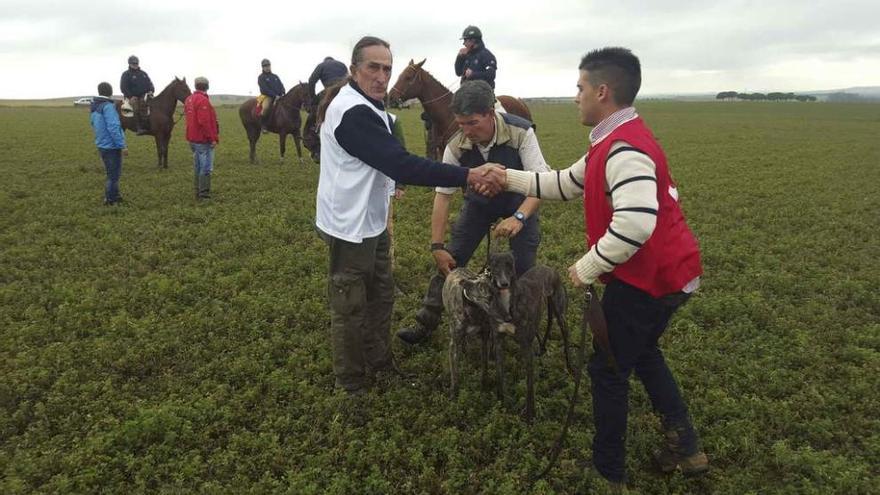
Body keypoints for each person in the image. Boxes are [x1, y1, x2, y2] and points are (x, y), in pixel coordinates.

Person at [481, 47, 708, 488]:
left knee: (607, 369)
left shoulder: (624, 149)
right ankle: (686, 447)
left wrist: (588, 266)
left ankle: (607, 474)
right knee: (641, 352)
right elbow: (564, 182)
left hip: (649, 279)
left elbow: (636, 222)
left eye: (580, 88)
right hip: (669, 273)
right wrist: (505, 176)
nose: (575, 97)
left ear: (602, 91)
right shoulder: (612, 140)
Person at [315, 35, 505, 396]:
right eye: (373, 67)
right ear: (354, 69)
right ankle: (351, 384)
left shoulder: (370, 107)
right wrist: (467, 174)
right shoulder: (352, 112)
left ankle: (380, 363)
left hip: (371, 222)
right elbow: (400, 162)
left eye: (387, 68)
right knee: (350, 305)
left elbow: (389, 165)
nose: (382, 76)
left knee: (382, 295)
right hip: (349, 226)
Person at [396, 80, 549, 345]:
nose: (466, 131)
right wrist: (436, 246)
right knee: (451, 259)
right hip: (479, 204)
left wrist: (520, 217)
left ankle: (523, 327)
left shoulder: (521, 132)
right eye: (461, 123)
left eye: (473, 123)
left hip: (520, 202)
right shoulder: (456, 145)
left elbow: (541, 185)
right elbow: (442, 196)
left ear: (491, 113)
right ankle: (426, 321)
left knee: (523, 267)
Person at [90, 82, 127, 205]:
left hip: (101, 144)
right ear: (110, 92)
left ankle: (116, 195)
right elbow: (113, 127)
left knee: (111, 173)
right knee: (113, 175)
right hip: (112, 146)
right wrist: (122, 145)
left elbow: (93, 123)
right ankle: (110, 200)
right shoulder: (108, 107)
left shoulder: (95, 106)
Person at [184, 77, 219, 200]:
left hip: (192, 139)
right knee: (206, 167)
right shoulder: (203, 100)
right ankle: (204, 194)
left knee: (198, 166)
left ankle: (197, 191)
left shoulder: (188, 99)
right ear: (207, 86)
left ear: (195, 85)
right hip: (203, 140)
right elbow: (204, 121)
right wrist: (212, 138)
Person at [120, 55, 155, 134]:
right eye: (133, 63)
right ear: (129, 64)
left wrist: (151, 90)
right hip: (132, 97)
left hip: (144, 95)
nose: (135, 65)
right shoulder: (126, 74)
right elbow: (123, 87)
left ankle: (151, 124)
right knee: (136, 107)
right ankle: (139, 127)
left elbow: (150, 84)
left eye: (136, 63)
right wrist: (130, 96)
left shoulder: (144, 74)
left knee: (153, 105)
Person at [257, 59, 285, 133]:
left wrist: (283, 92)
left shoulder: (275, 76)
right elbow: (264, 89)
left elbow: (281, 85)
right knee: (265, 108)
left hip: (279, 96)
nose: (267, 67)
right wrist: (274, 95)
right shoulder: (261, 77)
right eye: (265, 66)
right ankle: (263, 126)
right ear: (262, 67)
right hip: (267, 96)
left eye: (268, 65)